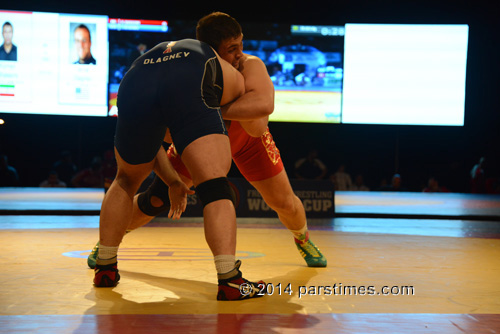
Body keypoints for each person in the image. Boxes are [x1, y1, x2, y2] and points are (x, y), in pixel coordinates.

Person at [87, 13, 327, 276]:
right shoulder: (189, 73)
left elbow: (263, 109)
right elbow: (153, 137)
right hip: (196, 137)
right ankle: (109, 240)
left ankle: (303, 239)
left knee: (284, 202)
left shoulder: (250, 65)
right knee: (154, 200)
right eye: (231, 49)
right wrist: (196, 115)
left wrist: (205, 109)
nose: (239, 54)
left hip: (247, 141)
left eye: (240, 45)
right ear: (212, 50)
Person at [94, 37, 266, 301]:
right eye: (234, 50)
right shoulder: (228, 68)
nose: (239, 56)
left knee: (125, 180)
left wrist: (174, 181)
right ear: (223, 49)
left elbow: (153, 145)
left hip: (132, 83)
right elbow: (257, 120)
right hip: (192, 84)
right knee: (215, 186)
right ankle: (229, 280)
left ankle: (104, 267)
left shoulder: (156, 54)